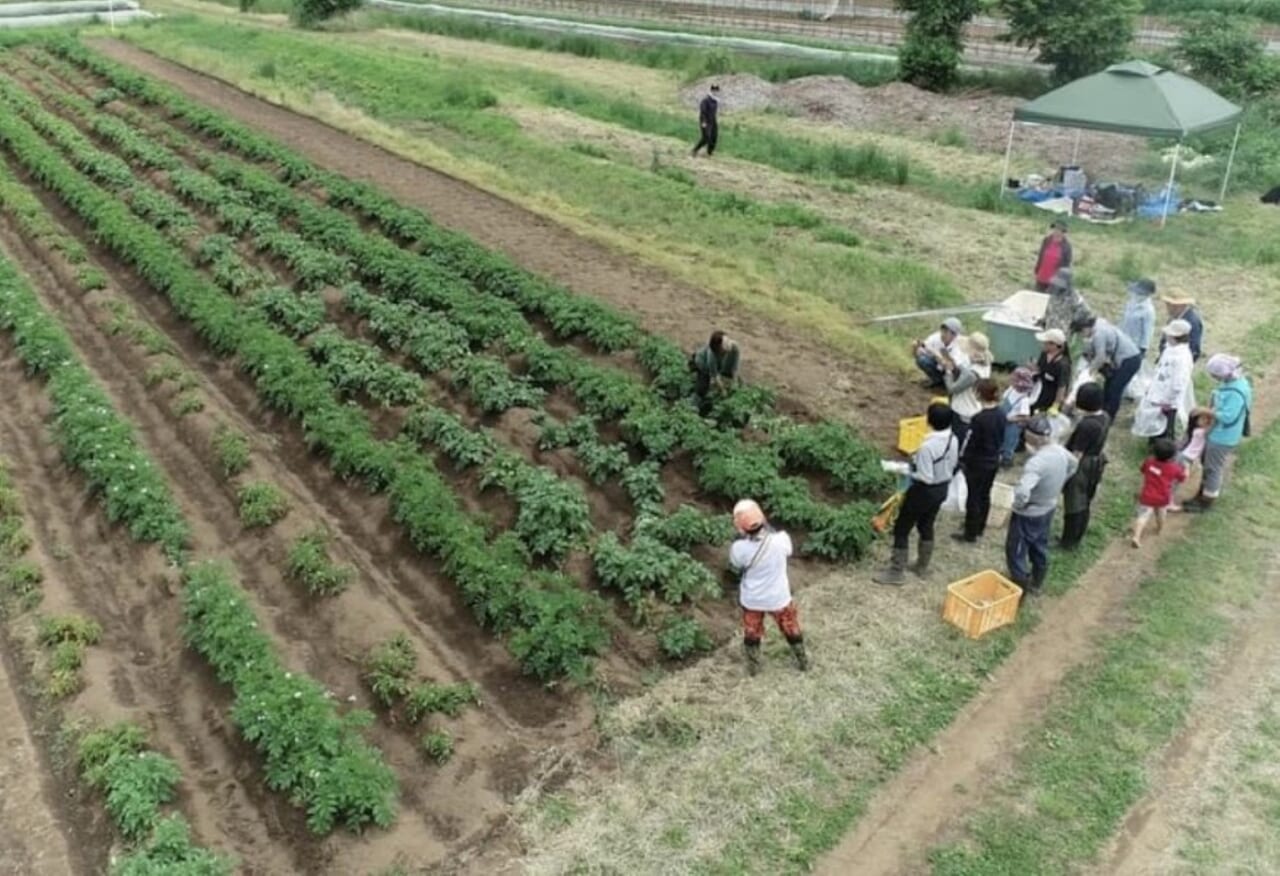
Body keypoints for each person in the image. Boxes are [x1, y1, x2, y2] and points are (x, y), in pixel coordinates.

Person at [874, 402, 958, 586]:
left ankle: (896, 572)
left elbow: (925, 477)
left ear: (929, 421)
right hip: (942, 488)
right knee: (926, 524)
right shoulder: (953, 438)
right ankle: (922, 566)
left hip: (924, 491)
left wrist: (904, 470)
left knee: (902, 528)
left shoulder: (928, 447)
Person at [729, 499, 807, 675]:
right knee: (790, 627)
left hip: (752, 600)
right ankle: (802, 660)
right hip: (779, 597)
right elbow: (787, 551)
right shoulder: (782, 540)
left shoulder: (738, 548)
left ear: (740, 527)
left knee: (752, 632)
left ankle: (754, 668)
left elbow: (736, 564)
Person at [1006, 416, 1077, 595]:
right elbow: (1074, 464)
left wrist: (1019, 505)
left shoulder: (1036, 463)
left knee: (1016, 550)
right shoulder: (1059, 451)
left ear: (1031, 437)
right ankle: (1037, 581)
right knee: (1040, 544)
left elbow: (1023, 491)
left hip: (1030, 512)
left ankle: (1020, 586)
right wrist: (1060, 483)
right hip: (1049, 506)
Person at [1184, 353, 1252, 514]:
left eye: (1215, 375)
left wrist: (1205, 411)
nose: (1214, 378)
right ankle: (1201, 494)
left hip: (1223, 437)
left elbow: (1228, 417)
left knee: (1213, 469)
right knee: (1207, 466)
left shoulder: (1236, 392)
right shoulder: (1235, 383)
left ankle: (1206, 502)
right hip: (1217, 434)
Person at [953, 379, 1006, 543]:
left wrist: (962, 459)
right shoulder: (1001, 414)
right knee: (985, 495)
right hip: (993, 460)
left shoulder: (979, 418)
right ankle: (980, 527)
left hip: (977, 463)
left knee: (973, 497)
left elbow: (970, 442)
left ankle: (970, 532)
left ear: (978, 394)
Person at [1059, 382, 1110, 550]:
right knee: (1085, 501)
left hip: (1083, 465)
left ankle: (1068, 541)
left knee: (1074, 502)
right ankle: (1077, 536)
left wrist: (1065, 473)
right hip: (1096, 461)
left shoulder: (1087, 425)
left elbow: (1077, 454)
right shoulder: (1104, 417)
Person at [1133, 319, 1195, 442]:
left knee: (1164, 429)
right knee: (1154, 425)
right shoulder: (1170, 350)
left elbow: (1178, 383)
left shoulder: (1181, 357)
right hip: (1157, 394)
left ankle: (1162, 453)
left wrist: (1168, 401)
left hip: (1167, 402)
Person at [1073, 313, 1141, 422]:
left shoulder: (1099, 334)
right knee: (1108, 386)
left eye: (1081, 332)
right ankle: (1102, 412)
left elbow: (1100, 357)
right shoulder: (1098, 326)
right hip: (1122, 358)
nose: (1082, 335)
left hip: (1129, 359)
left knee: (1115, 389)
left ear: (1086, 328)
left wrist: (1090, 371)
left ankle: (1109, 417)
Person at [1130, 438, 1186, 548]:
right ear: (1172, 456)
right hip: (1163, 497)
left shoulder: (1149, 461)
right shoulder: (1174, 468)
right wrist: (1186, 470)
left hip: (1147, 496)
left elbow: (1142, 470)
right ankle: (1159, 529)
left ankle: (1136, 536)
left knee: (1143, 516)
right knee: (1161, 514)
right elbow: (1182, 478)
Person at [943, 332, 990, 447]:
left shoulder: (973, 374)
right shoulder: (985, 364)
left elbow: (952, 389)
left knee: (957, 441)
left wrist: (948, 372)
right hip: (972, 406)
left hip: (963, 410)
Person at [1170, 407, 1213, 511]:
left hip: (1185, 458)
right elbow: (1212, 427)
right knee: (1177, 480)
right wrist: (1214, 415)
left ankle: (1167, 499)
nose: (1206, 421)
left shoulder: (1195, 430)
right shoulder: (1200, 432)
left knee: (1177, 480)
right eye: (1202, 419)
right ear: (1195, 421)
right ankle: (1168, 502)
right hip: (1185, 459)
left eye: (1206, 419)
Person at [691, 330, 740, 410]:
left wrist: (735, 382)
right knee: (702, 388)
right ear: (718, 348)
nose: (728, 345)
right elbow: (715, 375)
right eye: (724, 346)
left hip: (721, 364)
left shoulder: (734, 347)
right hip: (703, 363)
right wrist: (723, 390)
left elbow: (735, 367)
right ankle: (693, 406)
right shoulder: (712, 356)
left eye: (728, 341)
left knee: (731, 381)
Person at [912, 317, 965, 389]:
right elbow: (920, 352)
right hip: (939, 366)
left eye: (946, 332)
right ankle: (937, 380)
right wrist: (916, 348)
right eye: (942, 330)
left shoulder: (960, 344)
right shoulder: (935, 337)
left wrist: (937, 355)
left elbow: (952, 367)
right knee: (922, 360)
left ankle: (947, 384)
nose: (943, 334)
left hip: (953, 373)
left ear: (954, 335)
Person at [1000, 366, 1037, 467]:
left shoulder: (1023, 399)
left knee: (1009, 443)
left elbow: (1026, 417)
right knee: (1000, 441)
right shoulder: (1011, 390)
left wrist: (1012, 418)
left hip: (1012, 426)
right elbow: (1003, 400)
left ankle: (1006, 462)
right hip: (1003, 422)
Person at [1030, 329, 1071, 415]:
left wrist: (1055, 405)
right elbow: (1039, 369)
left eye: (1045, 343)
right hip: (1038, 393)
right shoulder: (1044, 354)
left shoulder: (1063, 365)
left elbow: (1062, 387)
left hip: (1050, 400)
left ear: (1054, 345)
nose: (1042, 345)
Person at [1042, 267, 1089, 336]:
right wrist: (1043, 321)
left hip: (1062, 333)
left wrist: (1073, 322)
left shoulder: (1074, 296)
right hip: (1049, 329)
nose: (1058, 285)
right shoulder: (1054, 291)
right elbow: (1048, 308)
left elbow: (1085, 310)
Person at [1159, 292, 1204, 362]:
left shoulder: (1192, 321)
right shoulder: (1173, 317)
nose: (1167, 307)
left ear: (1179, 306)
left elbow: (1193, 347)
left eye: (1169, 305)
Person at [1119, 278, 1158, 357]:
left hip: (1134, 345)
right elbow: (1123, 320)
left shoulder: (1148, 311)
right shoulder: (1131, 302)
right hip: (1122, 340)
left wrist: (1143, 348)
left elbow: (1148, 332)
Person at [1033, 220, 1072, 292]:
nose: (1056, 231)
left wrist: (1061, 282)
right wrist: (1036, 270)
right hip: (1042, 276)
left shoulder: (1066, 247)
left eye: (1059, 229)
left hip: (1055, 281)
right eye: (1055, 229)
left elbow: (1066, 266)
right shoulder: (1046, 240)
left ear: (1064, 232)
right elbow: (1040, 257)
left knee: (1049, 301)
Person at [691, 83, 721, 157]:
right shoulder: (706, 100)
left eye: (717, 90)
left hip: (713, 121)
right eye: (714, 90)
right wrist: (703, 122)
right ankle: (695, 150)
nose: (715, 92)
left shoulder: (716, 101)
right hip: (706, 121)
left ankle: (709, 152)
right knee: (706, 137)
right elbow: (703, 112)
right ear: (711, 91)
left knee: (714, 137)